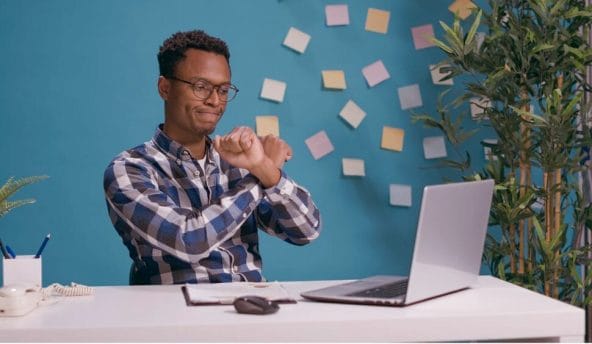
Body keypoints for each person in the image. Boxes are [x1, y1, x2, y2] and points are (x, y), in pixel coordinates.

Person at [103, 30, 321, 285]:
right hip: (176, 317)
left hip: (253, 310)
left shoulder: (238, 163)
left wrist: (267, 173)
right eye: (201, 87)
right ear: (165, 87)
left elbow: (306, 231)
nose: (215, 100)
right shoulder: (130, 169)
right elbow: (188, 240)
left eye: (223, 89)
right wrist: (260, 172)